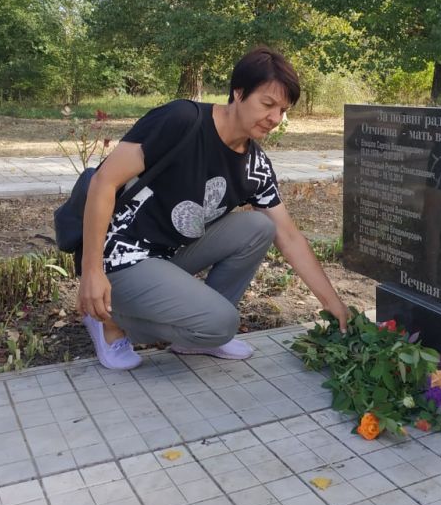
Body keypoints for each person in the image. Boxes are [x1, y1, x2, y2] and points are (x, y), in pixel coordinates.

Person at [76, 47, 350, 369]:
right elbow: (103, 182)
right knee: (222, 323)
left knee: (261, 227)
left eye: (283, 110)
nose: (276, 118)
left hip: (167, 256)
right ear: (238, 92)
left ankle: (196, 340)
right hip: (121, 256)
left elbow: (289, 237)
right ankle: (109, 322)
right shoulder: (182, 121)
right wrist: (92, 271)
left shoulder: (254, 166)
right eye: (267, 104)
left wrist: (333, 303)